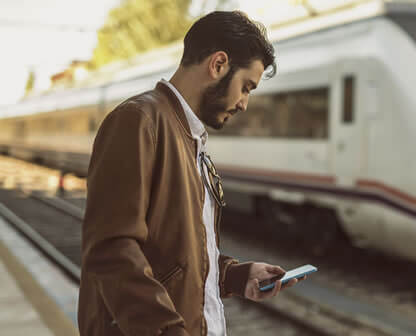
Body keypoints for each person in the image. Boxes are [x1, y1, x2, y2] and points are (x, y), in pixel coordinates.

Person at [78, 11, 301, 336]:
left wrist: (237, 276)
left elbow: (175, 255)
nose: (244, 104)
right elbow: (112, 248)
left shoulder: (188, 137)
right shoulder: (139, 122)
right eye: (246, 87)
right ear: (219, 64)